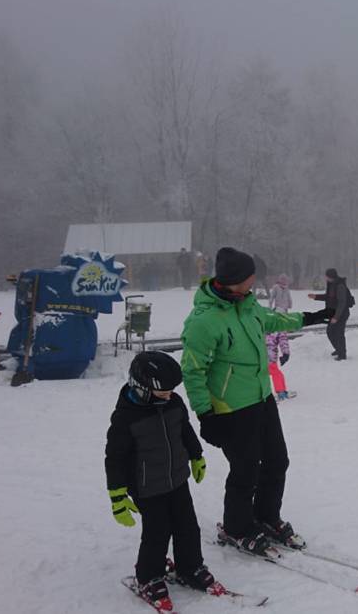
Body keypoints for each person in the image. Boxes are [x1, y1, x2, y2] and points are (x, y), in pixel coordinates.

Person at [180, 247, 331, 557]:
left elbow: (273, 320)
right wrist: (205, 415)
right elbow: (193, 371)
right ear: (234, 280)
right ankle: (236, 527)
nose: (254, 283)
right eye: (249, 279)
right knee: (245, 470)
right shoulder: (204, 321)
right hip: (231, 409)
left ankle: (265, 517)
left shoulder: (248, 305)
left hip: (262, 399)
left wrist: (310, 316)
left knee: (277, 461)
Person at [105, 351, 225, 611]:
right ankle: (148, 577)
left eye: (171, 390)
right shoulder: (126, 417)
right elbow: (114, 458)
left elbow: (185, 429)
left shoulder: (173, 402)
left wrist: (196, 455)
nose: (168, 395)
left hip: (178, 479)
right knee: (157, 532)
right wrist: (117, 495)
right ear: (142, 387)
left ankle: (190, 567)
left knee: (187, 527)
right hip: (147, 487)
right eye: (163, 392)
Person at [309, 268, 352, 360]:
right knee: (330, 332)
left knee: (339, 333)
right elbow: (328, 297)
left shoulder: (340, 286)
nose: (325, 278)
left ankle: (342, 355)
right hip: (333, 312)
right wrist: (316, 297)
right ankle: (338, 349)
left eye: (326, 276)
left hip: (341, 313)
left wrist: (336, 317)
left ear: (331, 276)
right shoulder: (331, 284)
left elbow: (342, 302)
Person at [267, 274, 294, 400]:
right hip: (268, 356)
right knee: (275, 373)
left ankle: (278, 392)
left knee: (270, 373)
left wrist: (289, 304)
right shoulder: (276, 287)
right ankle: (280, 392)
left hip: (262, 355)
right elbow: (283, 342)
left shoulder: (265, 324)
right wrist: (286, 353)